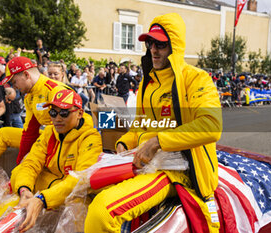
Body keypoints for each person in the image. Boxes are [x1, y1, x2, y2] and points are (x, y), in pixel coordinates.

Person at [85, 13, 222, 232]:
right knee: (86, 188)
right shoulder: (147, 84)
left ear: (175, 46)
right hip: (147, 163)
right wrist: (124, 142)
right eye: (150, 43)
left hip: (179, 171)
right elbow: (140, 125)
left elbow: (211, 126)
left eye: (161, 44)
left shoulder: (196, 78)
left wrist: (158, 141)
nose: (154, 50)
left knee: (103, 210)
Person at [0, 56, 87, 192]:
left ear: (26, 74)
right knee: (4, 133)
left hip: (65, 145)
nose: (13, 86)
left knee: (22, 171)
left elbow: (76, 126)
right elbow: (29, 131)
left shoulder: (56, 90)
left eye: (14, 81)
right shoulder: (30, 96)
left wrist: (26, 162)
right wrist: (20, 161)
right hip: (47, 140)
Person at [0, 89, 102, 232]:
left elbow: (80, 180)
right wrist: (24, 190)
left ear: (79, 113)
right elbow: (30, 163)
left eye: (64, 113)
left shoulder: (91, 138)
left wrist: (42, 200)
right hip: (41, 193)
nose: (57, 119)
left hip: (70, 198)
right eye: (53, 113)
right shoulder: (49, 133)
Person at [0, 62, 23, 128]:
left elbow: (11, 93)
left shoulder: (5, 80)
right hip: (16, 109)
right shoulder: (7, 77)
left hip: (11, 110)